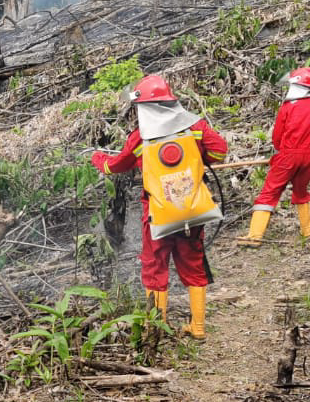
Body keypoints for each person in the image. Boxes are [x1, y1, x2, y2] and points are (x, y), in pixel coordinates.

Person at [90, 74, 227, 338]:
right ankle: (198, 328)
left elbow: (114, 166)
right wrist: (199, 157)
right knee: (193, 264)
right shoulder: (195, 126)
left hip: (158, 215)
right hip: (193, 211)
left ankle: (157, 329)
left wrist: (96, 158)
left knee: (155, 267)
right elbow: (220, 151)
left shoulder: (140, 138)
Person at [240, 66, 310, 245]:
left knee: (268, 194)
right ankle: (308, 232)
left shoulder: (289, 107)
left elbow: (277, 137)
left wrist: (280, 155)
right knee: (301, 192)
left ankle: (254, 237)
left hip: (288, 155)